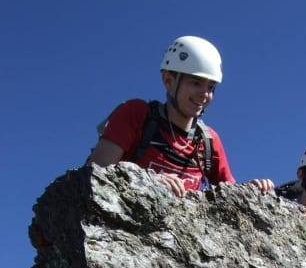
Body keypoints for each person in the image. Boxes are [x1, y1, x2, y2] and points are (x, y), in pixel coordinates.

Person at [88, 35, 273, 197]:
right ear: (168, 81)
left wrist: (250, 192)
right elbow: (96, 173)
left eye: (211, 87)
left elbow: (230, 195)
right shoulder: (136, 114)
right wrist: (149, 182)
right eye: (195, 82)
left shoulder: (208, 141)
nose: (205, 94)